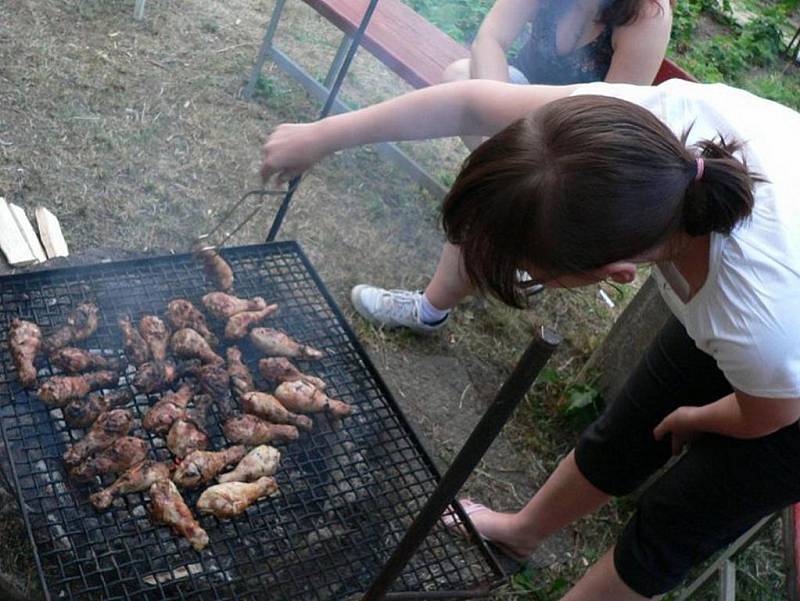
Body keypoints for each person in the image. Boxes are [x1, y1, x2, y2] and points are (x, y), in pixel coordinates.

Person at [261, 78, 800, 599]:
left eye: (527, 269)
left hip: (788, 389)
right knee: (629, 427)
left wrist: (697, 417)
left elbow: (771, 415)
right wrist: (321, 135)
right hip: (769, 304)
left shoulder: (756, 321)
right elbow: (473, 104)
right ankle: (522, 531)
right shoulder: (629, 140)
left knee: (673, 523)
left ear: (613, 272)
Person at [354, 0, 675, 334]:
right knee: (459, 78)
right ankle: (517, 232)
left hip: (576, 146)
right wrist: (501, 124)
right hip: (517, 99)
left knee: (501, 185)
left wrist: (515, 152)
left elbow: (603, 119)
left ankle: (429, 309)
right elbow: (490, 38)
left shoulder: (647, 15)